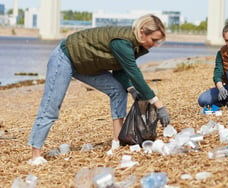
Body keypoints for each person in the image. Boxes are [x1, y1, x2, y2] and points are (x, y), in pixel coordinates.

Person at [28, 14, 171, 165]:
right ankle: (35, 155)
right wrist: (158, 104)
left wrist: (130, 88)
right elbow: (134, 73)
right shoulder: (123, 42)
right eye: (154, 40)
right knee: (52, 104)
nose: (155, 44)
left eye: (158, 41)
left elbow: (120, 69)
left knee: (118, 90)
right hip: (66, 57)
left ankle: (117, 143)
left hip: (86, 65)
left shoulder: (136, 43)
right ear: (142, 32)